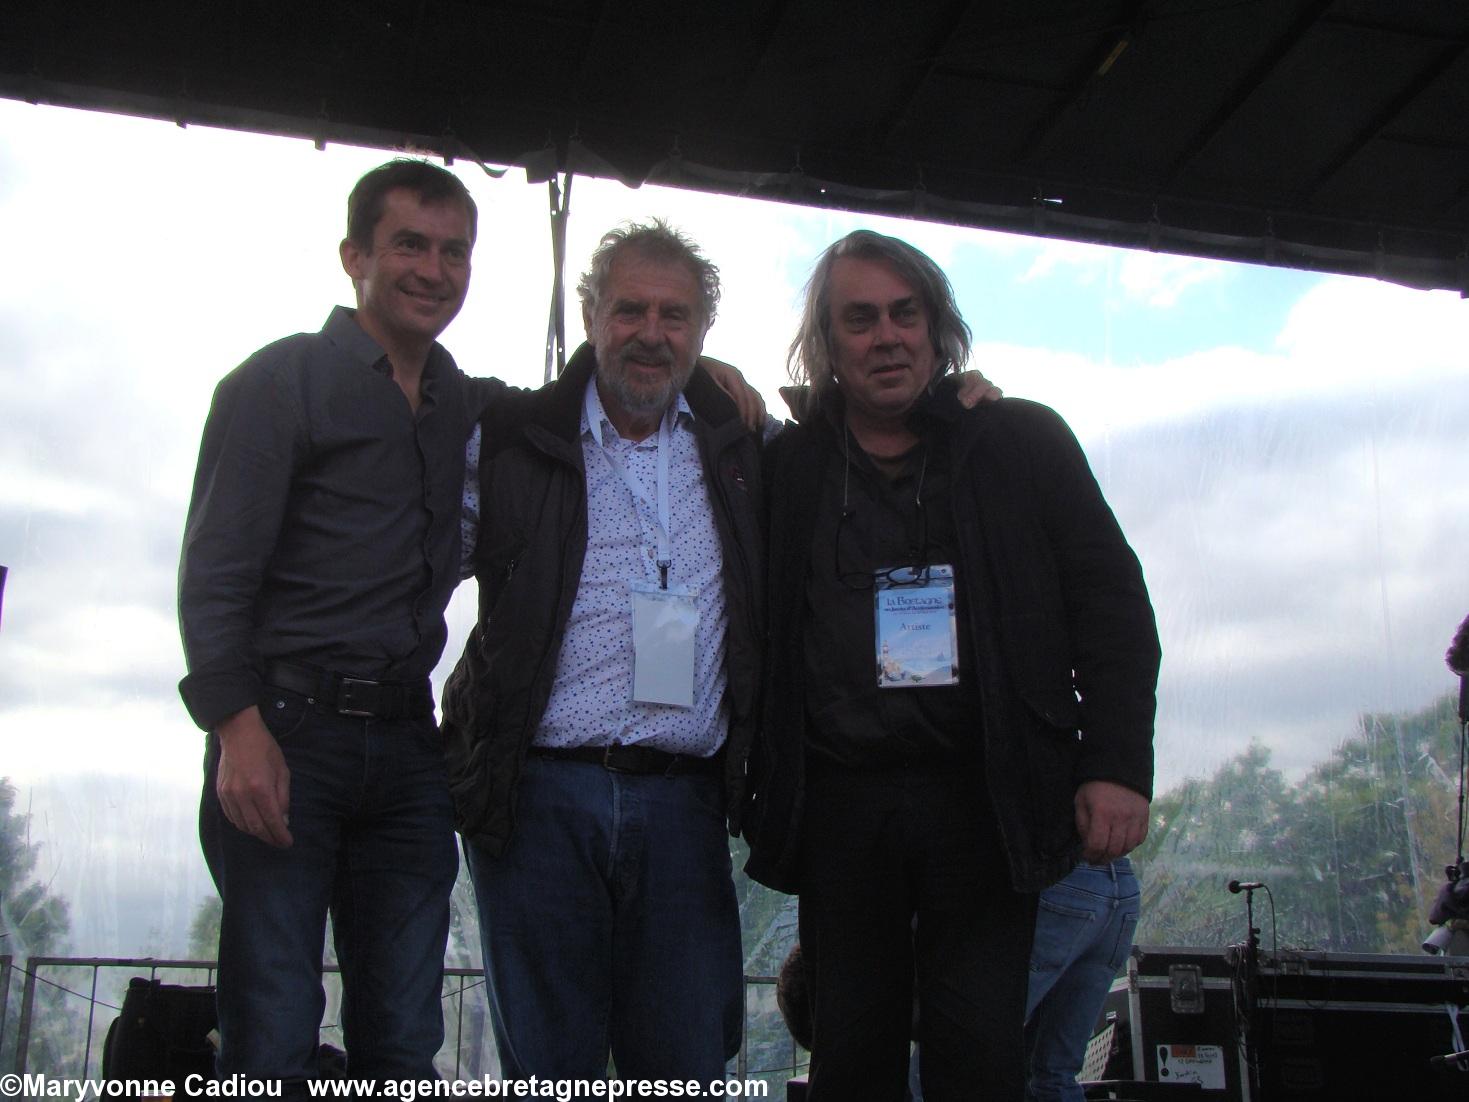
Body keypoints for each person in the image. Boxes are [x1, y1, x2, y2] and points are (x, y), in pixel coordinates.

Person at [742, 229, 1160, 1101]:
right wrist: (713, 376)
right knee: (849, 1055)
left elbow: (1111, 606)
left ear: (937, 329)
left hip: (983, 798)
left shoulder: (1017, 442)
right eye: (860, 319)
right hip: (840, 804)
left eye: (905, 314)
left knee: (977, 1055)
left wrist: (1116, 765)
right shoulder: (789, 465)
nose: (886, 337)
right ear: (825, 342)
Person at [178, 159, 520, 1091]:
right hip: (286, 731)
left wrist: (705, 372)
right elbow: (214, 573)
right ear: (353, 256)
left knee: (403, 1040)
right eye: (409, 244)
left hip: (409, 746)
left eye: (455, 252)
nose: (433, 270)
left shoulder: (463, 402)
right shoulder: (280, 381)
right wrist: (236, 730)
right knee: (272, 1030)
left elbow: (581, 399)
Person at [441, 220, 763, 1084]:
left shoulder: (742, 450)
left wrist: (963, 394)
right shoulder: (508, 438)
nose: (650, 333)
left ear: (701, 330)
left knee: (682, 1069)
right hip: (537, 799)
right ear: (589, 316)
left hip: (684, 802)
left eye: (674, 315)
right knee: (552, 1073)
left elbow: (863, 437)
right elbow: (408, 564)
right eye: (629, 310)